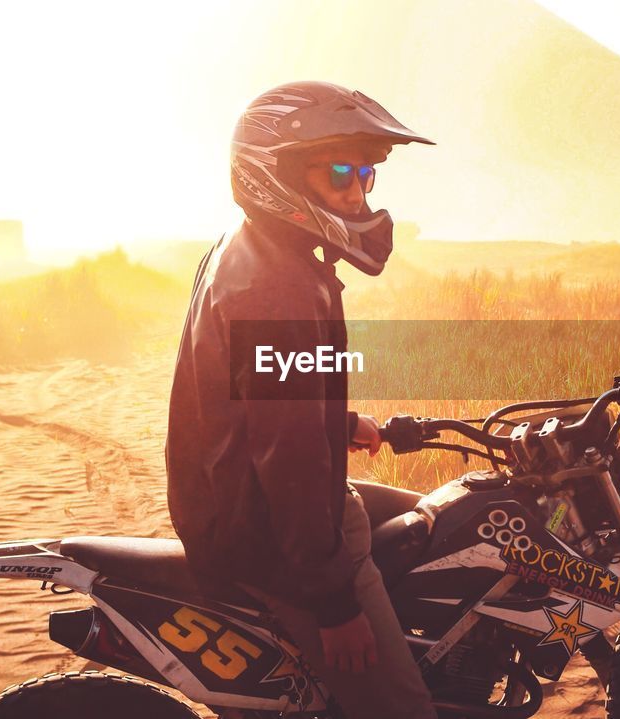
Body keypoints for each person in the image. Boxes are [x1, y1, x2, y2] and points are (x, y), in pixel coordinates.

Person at [165, 81, 438, 719]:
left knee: (430, 525)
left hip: (238, 500)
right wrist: (335, 605)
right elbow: (288, 463)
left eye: (367, 175)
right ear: (276, 174)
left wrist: (340, 421)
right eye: (340, 173)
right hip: (262, 523)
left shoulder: (257, 253)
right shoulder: (278, 286)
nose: (358, 194)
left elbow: (254, 396)